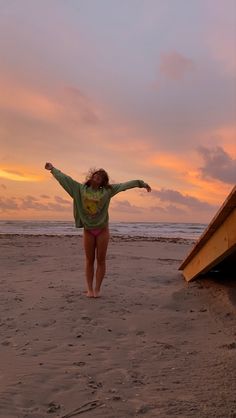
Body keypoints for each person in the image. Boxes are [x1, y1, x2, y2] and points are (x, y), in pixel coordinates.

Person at [45, 162, 151, 298]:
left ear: (103, 182)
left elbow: (125, 185)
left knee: (101, 260)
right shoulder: (79, 189)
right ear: (91, 176)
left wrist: (142, 183)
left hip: (102, 230)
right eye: (95, 175)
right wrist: (53, 169)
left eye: (100, 177)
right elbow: (65, 179)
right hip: (88, 230)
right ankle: (89, 289)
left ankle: (97, 289)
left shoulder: (107, 191)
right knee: (89, 260)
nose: (97, 177)